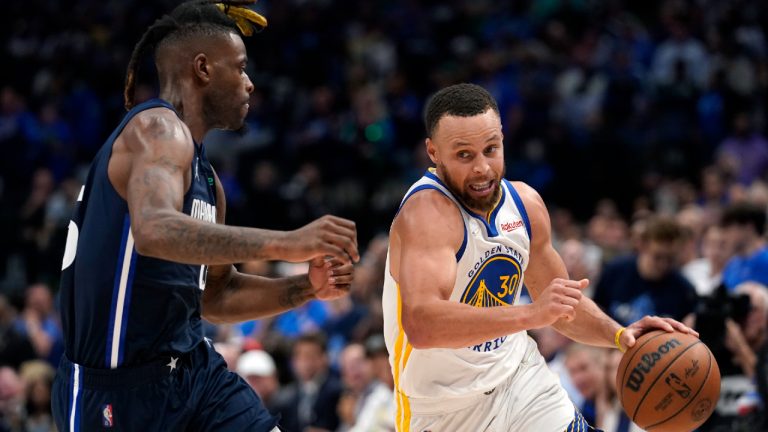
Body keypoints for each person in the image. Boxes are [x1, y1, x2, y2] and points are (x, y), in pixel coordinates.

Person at [51, 2, 358, 431]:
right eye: (241, 67)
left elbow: (217, 295)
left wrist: (305, 287)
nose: (250, 84)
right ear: (203, 69)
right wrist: (289, 243)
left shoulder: (208, 181)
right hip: (117, 391)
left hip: (194, 373)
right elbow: (154, 230)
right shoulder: (156, 129)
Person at [382, 83, 696, 431]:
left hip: (520, 383)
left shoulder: (525, 205)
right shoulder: (425, 215)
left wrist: (621, 336)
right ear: (433, 152)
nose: (483, 168)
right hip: (442, 410)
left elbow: (562, 308)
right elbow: (423, 325)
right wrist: (532, 313)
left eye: (491, 149)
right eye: (464, 155)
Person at [593, 216, 699, 326]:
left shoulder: (684, 289)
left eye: (670, 258)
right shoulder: (615, 271)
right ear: (643, 246)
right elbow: (596, 310)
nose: (664, 264)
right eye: (658, 257)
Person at [720, 202, 768, 290]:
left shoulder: (765, 261)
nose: (724, 237)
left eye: (729, 230)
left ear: (748, 228)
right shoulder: (732, 265)